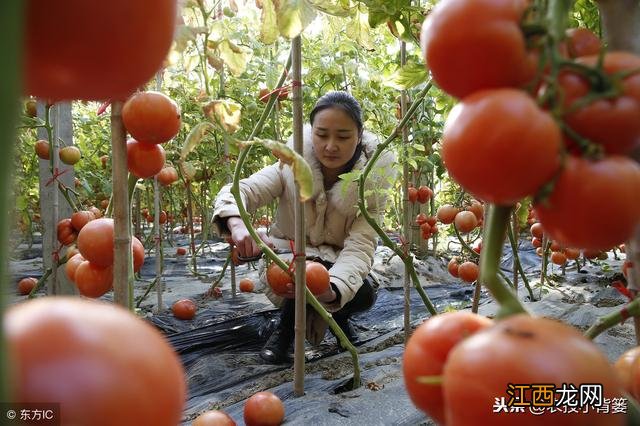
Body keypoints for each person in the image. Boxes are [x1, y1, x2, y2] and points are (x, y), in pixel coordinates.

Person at [212, 91, 395, 364]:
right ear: (311, 134)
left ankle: (336, 317)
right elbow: (241, 191)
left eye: (343, 136)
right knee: (300, 272)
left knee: (363, 293)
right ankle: (286, 331)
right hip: (287, 263)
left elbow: (361, 246)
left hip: (337, 268)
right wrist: (237, 225)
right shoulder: (289, 167)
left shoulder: (372, 187)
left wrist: (333, 289)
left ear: (359, 136)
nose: (331, 145)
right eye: (322, 135)